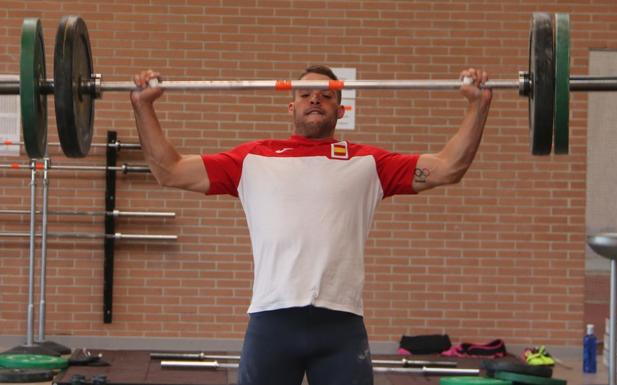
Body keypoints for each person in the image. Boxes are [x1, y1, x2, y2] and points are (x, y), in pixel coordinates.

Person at [130, 65, 492, 385]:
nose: (315, 99)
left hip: (341, 325)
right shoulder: (252, 158)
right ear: (292, 107)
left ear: (341, 109)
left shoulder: (369, 163)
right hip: (273, 321)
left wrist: (478, 106)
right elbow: (170, 170)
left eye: (326, 95)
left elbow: (448, 168)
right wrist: (143, 106)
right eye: (305, 94)